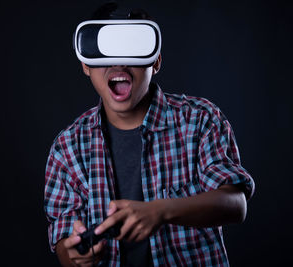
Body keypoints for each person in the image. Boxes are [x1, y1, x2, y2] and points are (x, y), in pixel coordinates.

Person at [44, 3, 255, 266]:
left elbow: (236, 204)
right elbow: (64, 243)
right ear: (86, 64)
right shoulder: (67, 148)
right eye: (105, 52)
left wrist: (162, 211)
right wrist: (75, 253)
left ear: (155, 61)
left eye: (132, 48)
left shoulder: (200, 120)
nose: (118, 63)